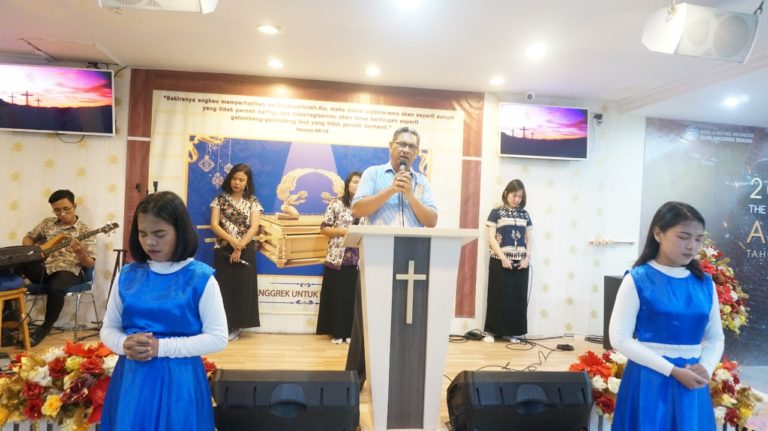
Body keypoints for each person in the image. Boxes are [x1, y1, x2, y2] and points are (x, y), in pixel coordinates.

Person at [100, 191, 228, 431]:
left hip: (181, 383)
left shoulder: (200, 278)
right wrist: (123, 344)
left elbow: (218, 338)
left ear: (180, 231)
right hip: (132, 381)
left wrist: (160, 347)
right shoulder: (127, 276)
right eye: (142, 234)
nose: (149, 242)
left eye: (159, 234)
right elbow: (108, 329)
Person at [609, 201, 724, 430]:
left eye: (698, 239)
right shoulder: (637, 279)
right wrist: (672, 370)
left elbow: (715, 337)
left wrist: (706, 367)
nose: (692, 246)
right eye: (683, 237)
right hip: (649, 382)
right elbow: (619, 338)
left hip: (691, 382)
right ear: (658, 234)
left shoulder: (705, 284)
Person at [345, 126, 438, 387]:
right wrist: (391, 190)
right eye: (402, 144)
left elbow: (431, 220)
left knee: (406, 324)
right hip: (377, 261)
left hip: (412, 262)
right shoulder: (373, 174)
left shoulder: (422, 182)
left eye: (412, 146)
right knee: (366, 325)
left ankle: (402, 378)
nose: (406, 150)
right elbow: (357, 209)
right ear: (391, 146)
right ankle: (354, 382)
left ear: (417, 153)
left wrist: (409, 194)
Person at [21, 189, 96, 346]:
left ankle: (45, 328)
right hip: (45, 268)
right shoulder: (47, 223)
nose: (62, 213)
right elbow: (28, 237)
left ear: (74, 206)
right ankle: (10, 316)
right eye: (57, 210)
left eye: (66, 209)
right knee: (11, 264)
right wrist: (33, 252)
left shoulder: (85, 231)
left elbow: (89, 263)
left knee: (56, 286)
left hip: (69, 271)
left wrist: (81, 253)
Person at [209, 163, 263, 341]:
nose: (237, 182)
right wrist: (232, 242)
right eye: (234, 178)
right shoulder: (219, 199)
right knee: (223, 288)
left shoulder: (253, 201)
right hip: (223, 249)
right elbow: (214, 224)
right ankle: (222, 326)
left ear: (247, 182)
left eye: (241, 180)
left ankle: (237, 327)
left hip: (245, 249)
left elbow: (254, 227)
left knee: (241, 289)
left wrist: (239, 247)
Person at [483, 179, 532, 343]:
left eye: (520, 196)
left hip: (521, 263)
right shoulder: (496, 212)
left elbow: (529, 238)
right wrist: (503, 257)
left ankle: (511, 333)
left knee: (516, 299)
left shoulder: (525, 214)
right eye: (514, 195)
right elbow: (491, 238)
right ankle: (491, 332)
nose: (517, 199)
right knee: (497, 296)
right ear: (506, 193)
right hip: (499, 260)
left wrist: (527, 258)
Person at [316, 171, 362, 344]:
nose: (357, 185)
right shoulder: (336, 203)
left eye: (361, 182)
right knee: (337, 295)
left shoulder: (367, 207)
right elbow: (324, 229)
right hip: (337, 257)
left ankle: (350, 333)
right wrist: (344, 231)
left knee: (353, 297)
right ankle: (336, 332)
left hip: (359, 259)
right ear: (347, 184)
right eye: (355, 182)